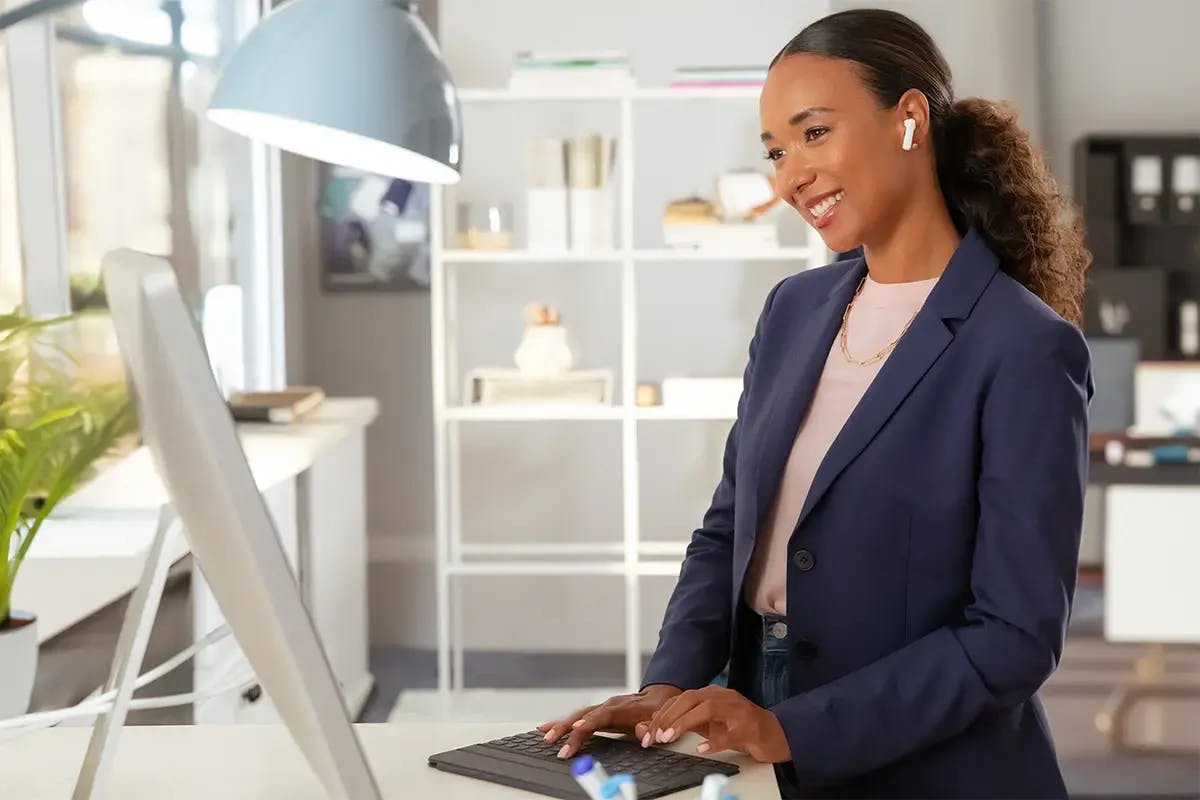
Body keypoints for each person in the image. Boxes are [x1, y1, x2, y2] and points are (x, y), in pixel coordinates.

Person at [539, 8, 1093, 798]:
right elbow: (730, 528)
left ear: (908, 120)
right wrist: (668, 687)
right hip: (749, 717)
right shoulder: (793, 310)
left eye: (814, 134)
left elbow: (1012, 637)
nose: (790, 174)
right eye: (775, 151)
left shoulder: (1023, 347)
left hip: (927, 758)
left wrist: (793, 729)